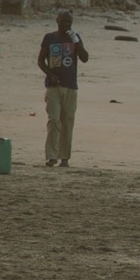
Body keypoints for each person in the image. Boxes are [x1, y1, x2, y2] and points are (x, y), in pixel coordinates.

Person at [36, 9, 90, 168]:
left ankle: (64, 157)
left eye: (69, 23)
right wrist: (50, 74)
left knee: (67, 121)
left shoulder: (75, 38)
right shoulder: (49, 38)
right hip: (53, 87)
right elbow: (40, 61)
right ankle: (51, 156)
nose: (66, 25)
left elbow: (85, 58)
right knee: (53, 120)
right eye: (63, 21)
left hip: (71, 86)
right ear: (57, 20)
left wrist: (77, 43)